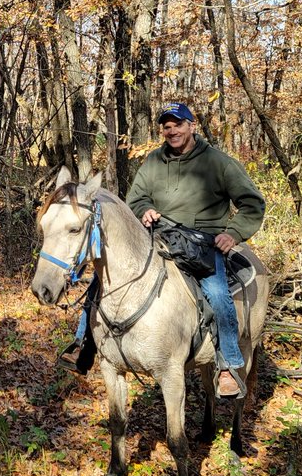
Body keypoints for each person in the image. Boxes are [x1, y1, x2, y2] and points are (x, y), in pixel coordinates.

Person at [61, 102, 265, 396]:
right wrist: (144, 210)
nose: (172, 131)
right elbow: (136, 199)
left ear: (192, 125)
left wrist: (233, 233)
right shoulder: (154, 162)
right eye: (167, 127)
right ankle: (83, 344)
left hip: (202, 243)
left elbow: (252, 203)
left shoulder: (219, 163)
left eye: (178, 124)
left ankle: (228, 365)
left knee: (219, 293)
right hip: (158, 237)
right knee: (100, 278)